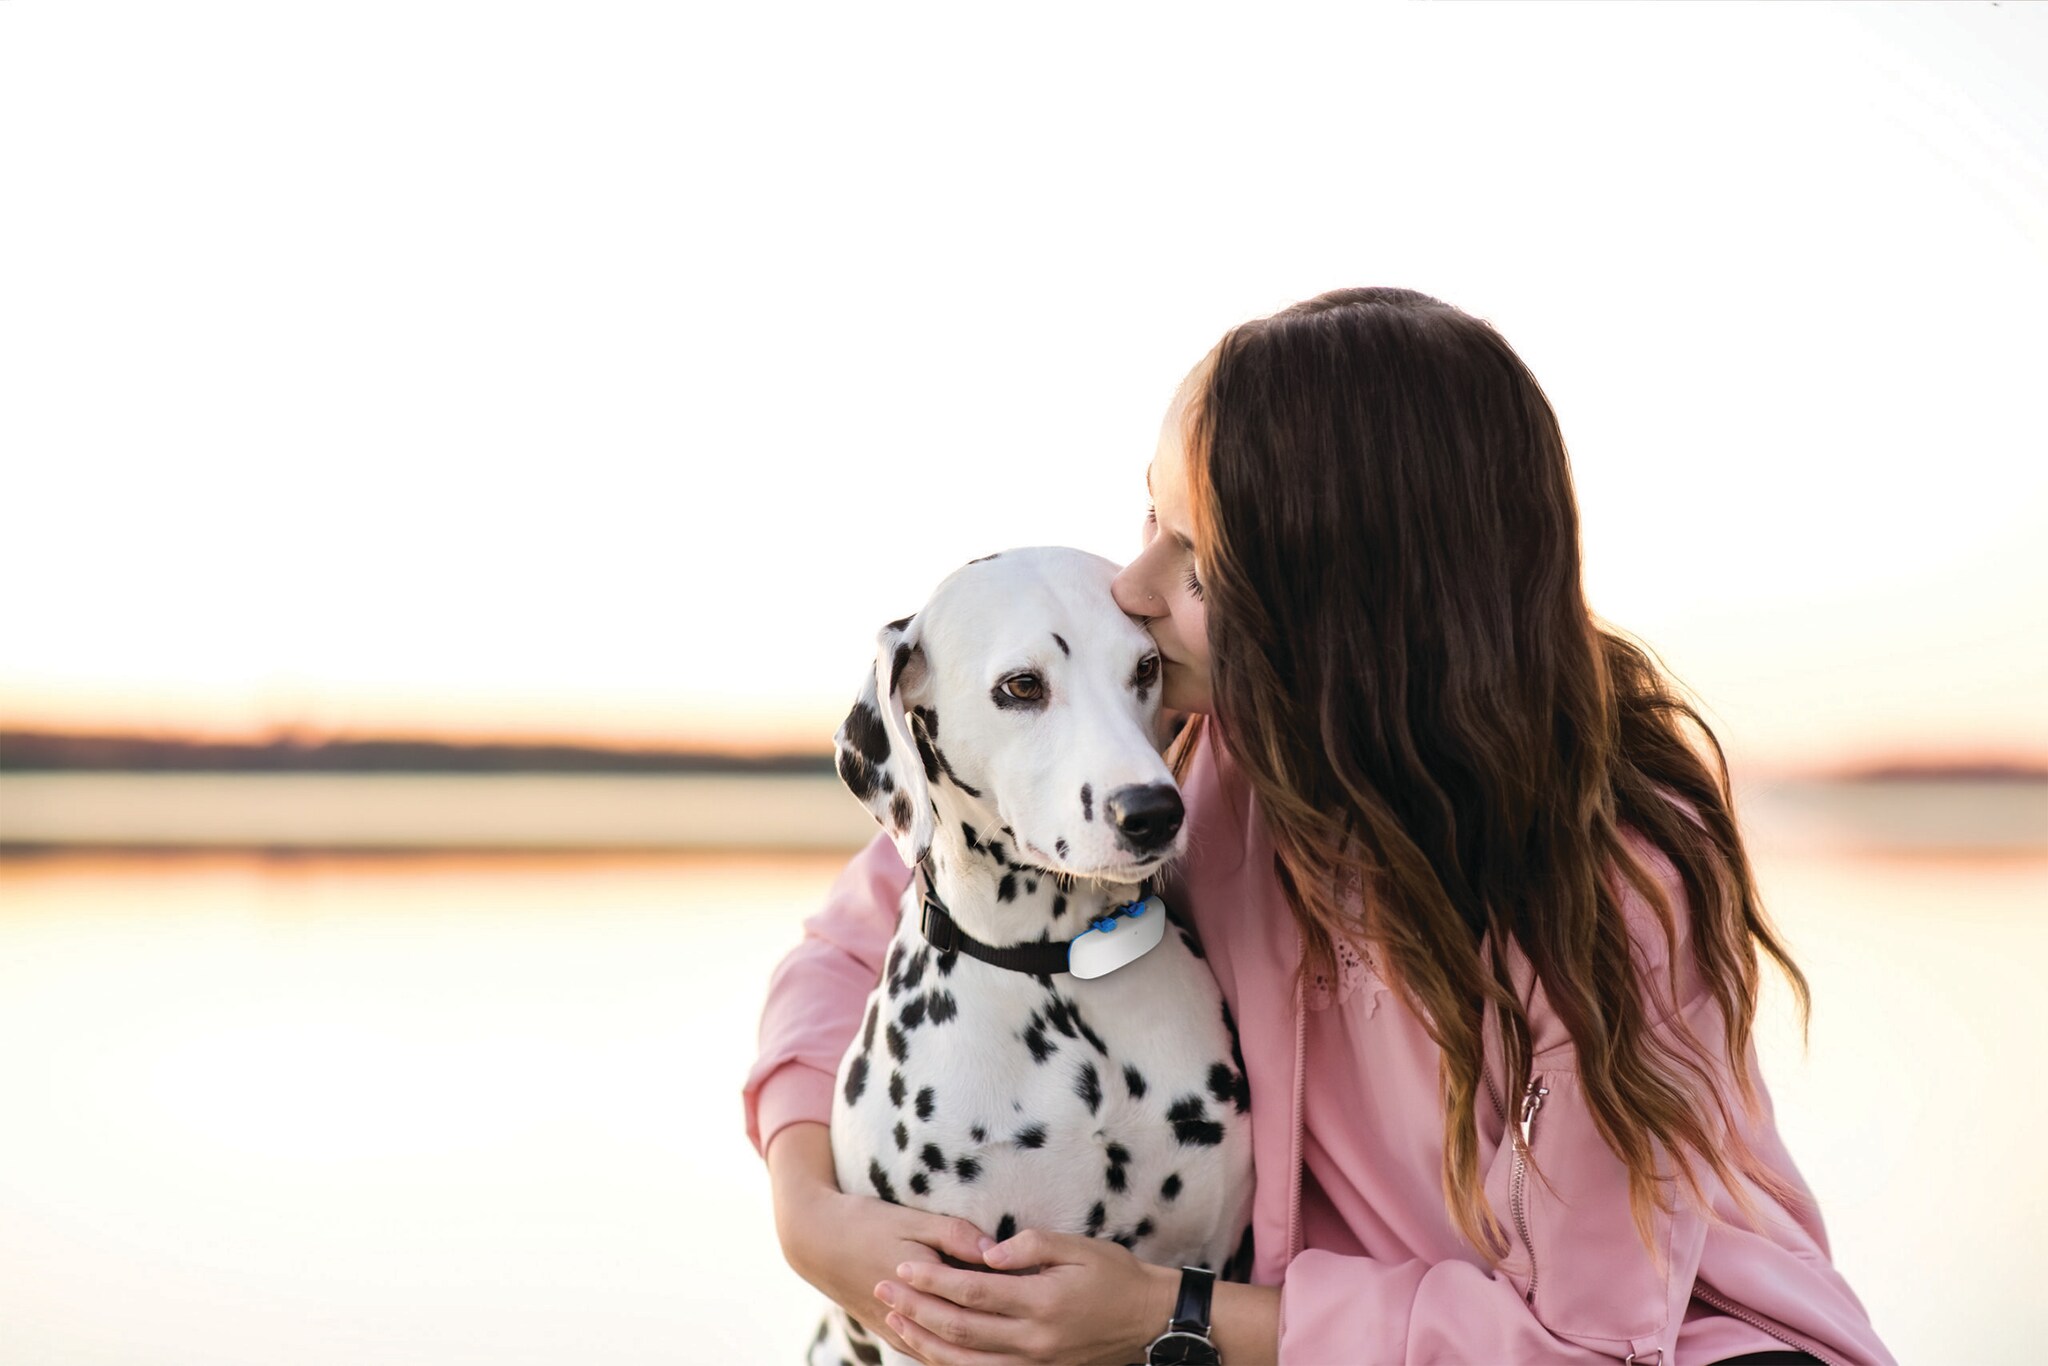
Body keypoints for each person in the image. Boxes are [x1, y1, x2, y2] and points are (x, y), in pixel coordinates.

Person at [743, 288, 1893, 1365]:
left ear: (1342, 609)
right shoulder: (1174, 757)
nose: (1130, 586)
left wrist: (1170, 1314)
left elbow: (1586, 1344)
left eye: (1194, 560)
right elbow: (859, 936)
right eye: (1149, 512)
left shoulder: (1613, 885)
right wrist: (810, 1211)